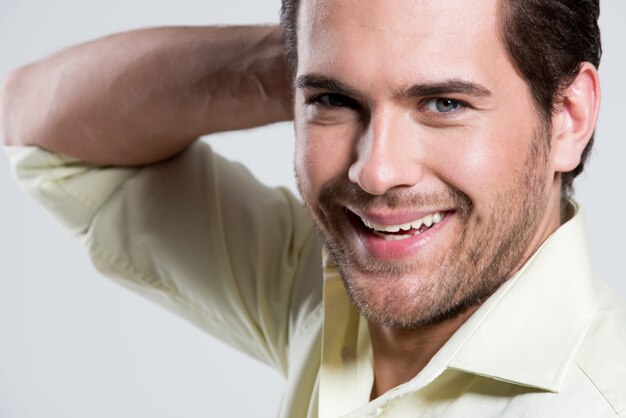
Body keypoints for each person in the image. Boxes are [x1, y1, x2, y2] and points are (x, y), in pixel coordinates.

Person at [2, 0, 625, 416]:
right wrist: (325, 52)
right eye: (334, 98)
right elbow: (35, 121)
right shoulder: (326, 280)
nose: (376, 172)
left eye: (443, 103)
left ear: (569, 117)